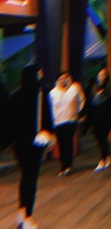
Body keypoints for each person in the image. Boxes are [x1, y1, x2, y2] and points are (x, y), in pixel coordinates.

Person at [7, 65, 52, 229]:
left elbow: (8, 122)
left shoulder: (15, 96)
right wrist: (48, 133)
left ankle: (22, 213)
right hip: (35, 144)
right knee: (31, 180)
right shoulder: (40, 94)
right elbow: (48, 118)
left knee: (25, 178)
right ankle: (27, 216)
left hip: (20, 145)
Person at [49, 70, 86, 175]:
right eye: (60, 79)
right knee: (61, 143)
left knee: (68, 142)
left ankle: (68, 165)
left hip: (71, 119)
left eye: (65, 78)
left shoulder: (74, 88)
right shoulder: (53, 93)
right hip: (57, 122)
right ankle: (63, 166)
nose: (63, 80)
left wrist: (80, 112)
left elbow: (82, 99)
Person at [89, 67, 111, 170]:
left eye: (103, 75)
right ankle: (107, 156)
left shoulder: (110, 87)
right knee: (99, 137)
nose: (101, 77)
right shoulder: (94, 88)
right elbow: (90, 103)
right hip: (96, 116)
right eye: (99, 75)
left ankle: (103, 158)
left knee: (103, 135)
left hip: (107, 116)